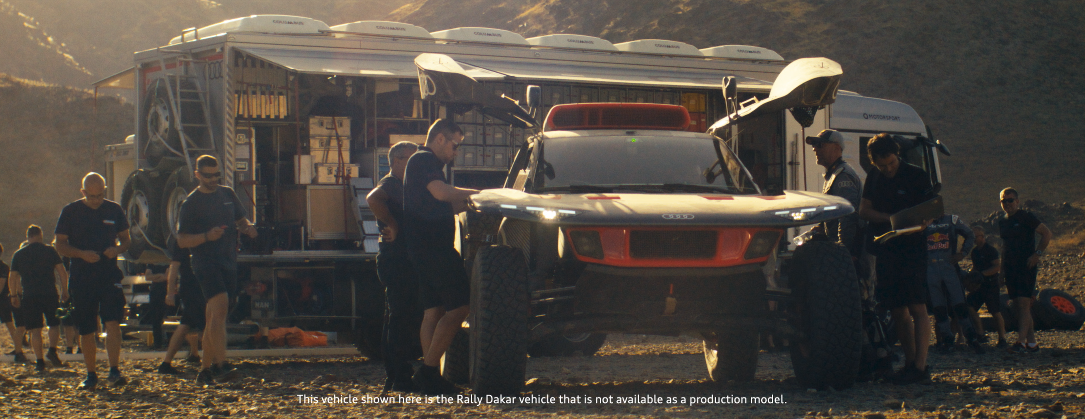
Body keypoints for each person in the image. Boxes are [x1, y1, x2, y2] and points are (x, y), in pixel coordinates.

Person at [403, 119, 479, 395]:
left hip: (422, 249)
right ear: (439, 140)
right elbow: (442, 193)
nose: (456, 152)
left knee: (433, 311)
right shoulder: (424, 160)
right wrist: (484, 194)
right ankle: (429, 371)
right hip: (435, 250)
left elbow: (446, 202)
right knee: (460, 307)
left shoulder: (426, 164)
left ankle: (430, 375)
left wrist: (472, 203)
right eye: (455, 145)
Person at [858, 133, 937, 385]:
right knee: (897, 308)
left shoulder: (917, 175)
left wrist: (926, 221)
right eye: (883, 166)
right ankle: (910, 363)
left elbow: (931, 209)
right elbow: (864, 210)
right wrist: (888, 218)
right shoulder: (874, 176)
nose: (888, 169)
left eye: (891, 163)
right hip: (887, 247)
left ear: (897, 155)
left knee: (917, 306)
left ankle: (921, 365)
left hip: (913, 248)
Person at [176, 155, 258, 385]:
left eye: (216, 175)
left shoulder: (228, 194)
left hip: (228, 261)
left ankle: (204, 369)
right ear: (197, 175)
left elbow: (242, 220)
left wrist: (249, 229)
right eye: (208, 175)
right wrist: (205, 236)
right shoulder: (191, 203)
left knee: (214, 316)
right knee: (220, 307)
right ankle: (222, 365)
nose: (213, 179)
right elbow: (181, 240)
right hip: (205, 262)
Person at [54, 172, 131, 389]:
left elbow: (127, 240)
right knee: (87, 328)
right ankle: (91, 373)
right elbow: (59, 244)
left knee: (113, 322)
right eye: (91, 196)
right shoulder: (70, 212)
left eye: (100, 196)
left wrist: (116, 249)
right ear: (83, 192)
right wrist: (80, 254)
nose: (96, 200)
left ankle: (114, 370)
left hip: (108, 274)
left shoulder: (114, 209)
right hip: (81, 277)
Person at [367, 141, 421, 392]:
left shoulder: (405, 185)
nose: (415, 164)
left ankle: (396, 375)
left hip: (399, 260)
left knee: (397, 318)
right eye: (411, 159)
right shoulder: (391, 183)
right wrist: (392, 223)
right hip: (396, 260)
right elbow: (373, 198)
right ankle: (399, 375)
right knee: (400, 319)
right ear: (396, 160)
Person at [997, 187, 1052, 353]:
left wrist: (1037, 254)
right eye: (1004, 201)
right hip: (1010, 267)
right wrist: (1002, 271)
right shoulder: (1003, 221)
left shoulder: (1026, 217)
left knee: (1023, 303)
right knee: (1019, 305)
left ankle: (1020, 342)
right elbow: (1005, 247)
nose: (1007, 204)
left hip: (1026, 266)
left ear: (1017, 201)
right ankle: (1032, 343)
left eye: (1010, 200)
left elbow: (1046, 233)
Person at [8, 226, 68, 372]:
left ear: (28, 236)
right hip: (49, 293)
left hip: (29, 295)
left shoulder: (19, 254)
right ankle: (52, 350)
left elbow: (13, 276)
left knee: (35, 330)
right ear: (41, 235)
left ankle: (39, 361)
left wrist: (14, 295)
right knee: (53, 324)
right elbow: (62, 271)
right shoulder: (49, 250)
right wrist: (64, 290)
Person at [923, 214, 983, 353]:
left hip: (949, 268)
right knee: (938, 308)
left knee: (960, 304)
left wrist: (963, 253)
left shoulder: (951, 220)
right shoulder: (923, 222)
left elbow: (969, 234)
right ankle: (947, 340)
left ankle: (971, 338)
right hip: (931, 270)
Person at [158, 238, 205, 374]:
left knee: (185, 324)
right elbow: (174, 268)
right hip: (192, 288)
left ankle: (166, 362)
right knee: (204, 325)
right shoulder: (182, 242)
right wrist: (170, 292)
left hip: (197, 287)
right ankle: (215, 362)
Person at [965, 226, 1007, 347]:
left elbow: (996, 267)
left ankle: (1002, 338)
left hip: (990, 285)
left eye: (976, 236)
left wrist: (982, 274)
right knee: (969, 306)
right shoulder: (974, 252)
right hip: (978, 286)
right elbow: (975, 267)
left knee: (995, 312)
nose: (973, 239)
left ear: (982, 237)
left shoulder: (991, 250)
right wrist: (970, 277)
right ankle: (980, 333)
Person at [0, 243, 23, 360]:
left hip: (3, 300)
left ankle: (18, 348)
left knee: (10, 325)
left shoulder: (3, 267)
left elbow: (1, 284)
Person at [142, 264, 169, 349]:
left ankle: (168, 340)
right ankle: (157, 342)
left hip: (166, 291)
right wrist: (160, 275)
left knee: (166, 316)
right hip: (154, 292)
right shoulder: (152, 263)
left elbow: (167, 277)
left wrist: (155, 277)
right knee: (155, 317)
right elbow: (147, 277)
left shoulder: (167, 261)